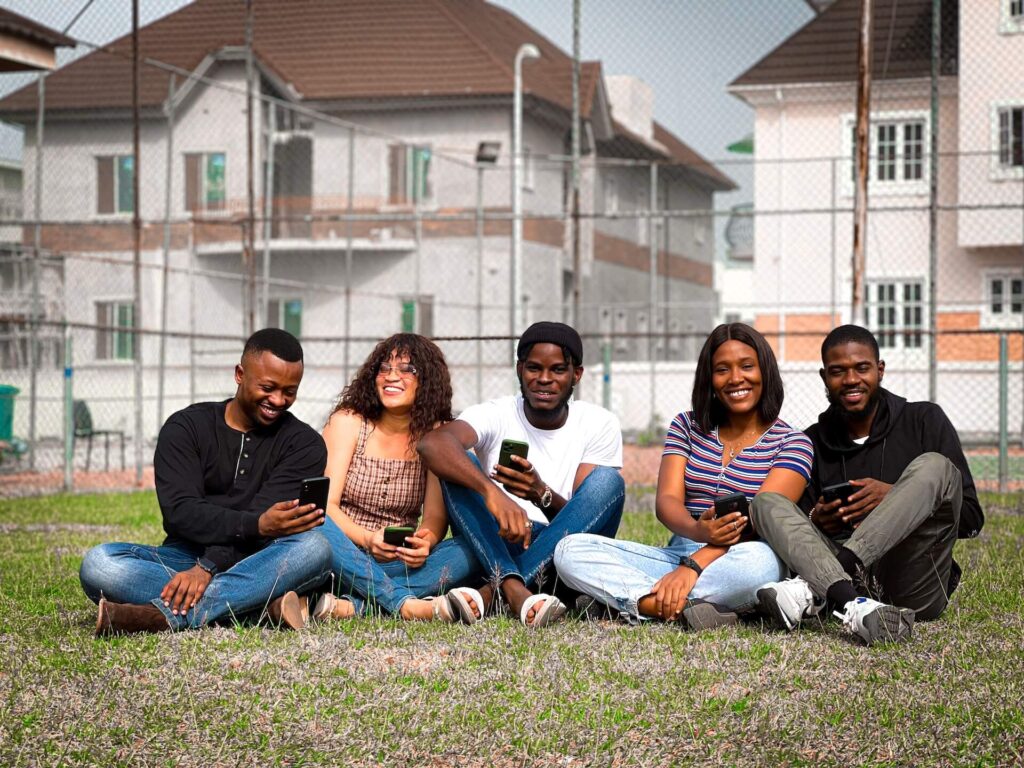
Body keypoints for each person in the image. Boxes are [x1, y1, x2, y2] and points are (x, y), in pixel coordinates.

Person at [554, 323, 812, 629]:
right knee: (569, 550)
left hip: (741, 555)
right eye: (722, 370)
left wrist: (694, 566)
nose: (735, 378)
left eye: (746, 366)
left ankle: (632, 601)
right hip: (677, 553)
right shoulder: (687, 426)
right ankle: (677, 606)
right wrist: (697, 532)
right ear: (709, 379)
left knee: (761, 565)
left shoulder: (793, 443)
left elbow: (764, 521)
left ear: (765, 372)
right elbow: (667, 501)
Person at [80, 328, 333, 635]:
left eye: (289, 392)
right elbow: (182, 512)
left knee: (314, 548)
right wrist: (208, 560)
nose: (278, 400)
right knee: (100, 564)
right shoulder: (186, 428)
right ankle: (256, 607)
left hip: (262, 558)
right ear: (240, 374)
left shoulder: (304, 444)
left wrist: (208, 569)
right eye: (268, 387)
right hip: (184, 556)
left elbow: (269, 523)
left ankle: (161, 616)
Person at [752, 324, 984, 646]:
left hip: (912, 580)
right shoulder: (811, 441)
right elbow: (797, 530)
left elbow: (972, 519)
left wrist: (895, 497)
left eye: (862, 368)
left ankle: (816, 592)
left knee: (935, 466)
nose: (851, 380)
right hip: (840, 579)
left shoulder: (923, 420)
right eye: (838, 371)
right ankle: (850, 602)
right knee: (765, 502)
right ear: (824, 378)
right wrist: (815, 519)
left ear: (880, 370)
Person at [417, 321, 625, 628]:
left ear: (576, 375)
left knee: (609, 482)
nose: (544, 379)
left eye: (557, 370)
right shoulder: (495, 413)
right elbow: (433, 444)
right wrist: (494, 495)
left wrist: (540, 495)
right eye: (534, 368)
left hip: (562, 550)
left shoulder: (598, 423)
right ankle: (518, 590)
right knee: (457, 468)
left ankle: (494, 591)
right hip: (497, 539)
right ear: (519, 369)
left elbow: (583, 523)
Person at [314, 333, 483, 623]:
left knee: (468, 549)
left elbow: (432, 519)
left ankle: (356, 606)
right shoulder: (348, 422)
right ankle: (404, 604)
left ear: (427, 380)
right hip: (342, 554)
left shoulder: (436, 436)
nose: (392, 377)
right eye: (385, 368)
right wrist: (368, 539)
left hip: (399, 562)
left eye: (407, 369)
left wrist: (424, 544)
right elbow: (326, 506)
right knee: (314, 521)